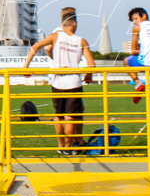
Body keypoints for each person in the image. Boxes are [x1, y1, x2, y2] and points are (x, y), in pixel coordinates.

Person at [23, 10, 96, 154]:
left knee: (58, 115)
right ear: (74, 23)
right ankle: (69, 147)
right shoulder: (81, 40)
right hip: (74, 81)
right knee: (70, 116)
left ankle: (61, 145)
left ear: (62, 24)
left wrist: (26, 66)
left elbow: (36, 46)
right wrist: (88, 75)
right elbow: (91, 64)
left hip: (57, 81)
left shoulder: (54, 36)